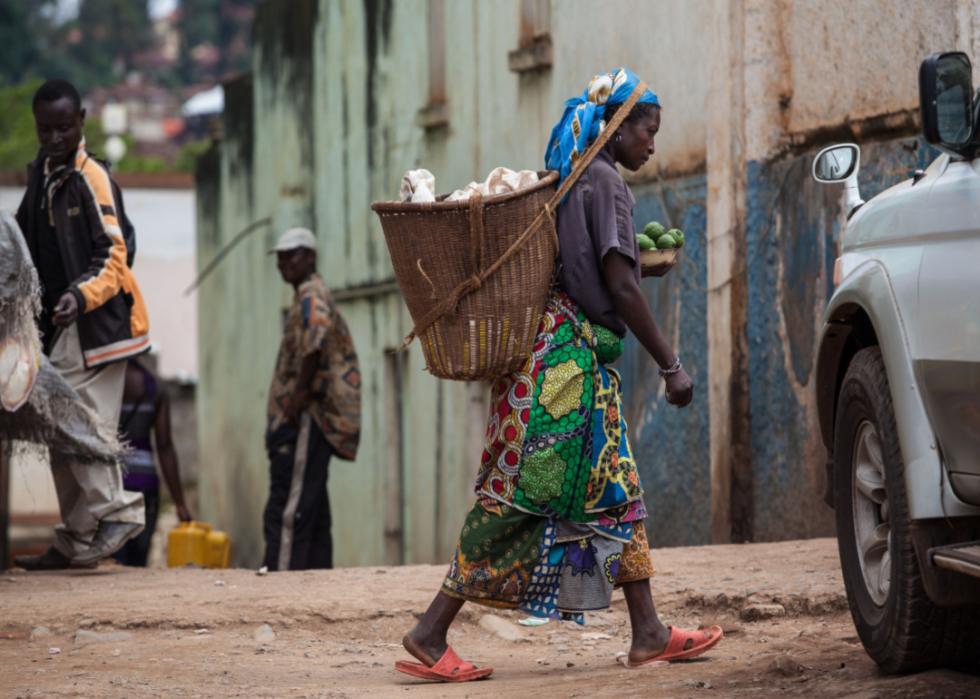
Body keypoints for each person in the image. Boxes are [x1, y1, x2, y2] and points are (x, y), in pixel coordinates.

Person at [396, 68, 723, 682]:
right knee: (519, 497)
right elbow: (619, 286)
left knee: (614, 488)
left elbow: (591, 270)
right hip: (562, 374)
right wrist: (671, 364)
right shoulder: (606, 184)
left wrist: (632, 273)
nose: (653, 144)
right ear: (619, 128)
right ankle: (429, 630)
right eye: (648, 131)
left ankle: (648, 632)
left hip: (557, 359)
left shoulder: (574, 178)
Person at [13, 79, 147, 571]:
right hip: (62, 331)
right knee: (56, 427)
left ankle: (118, 511)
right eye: (46, 129)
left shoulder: (92, 177)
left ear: (82, 121)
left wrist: (78, 295)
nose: (54, 137)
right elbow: (23, 249)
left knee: (76, 422)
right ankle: (77, 537)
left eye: (64, 128)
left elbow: (116, 252)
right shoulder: (43, 177)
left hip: (101, 328)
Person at [263, 227, 361, 571]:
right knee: (313, 507)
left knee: (289, 509)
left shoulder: (311, 295)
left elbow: (314, 344)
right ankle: (315, 583)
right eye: (280, 257)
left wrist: (296, 401)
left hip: (308, 417)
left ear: (310, 257)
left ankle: (281, 581)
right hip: (310, 417)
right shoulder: (308, 294)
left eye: (292, 255)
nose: (284, 263)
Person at [112, 360, 193, 567]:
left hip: (111, 483)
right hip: (145, 485)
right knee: (139, 559)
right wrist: (180, 503)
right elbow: (165, 446)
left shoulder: (103, 382)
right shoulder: (154, 386)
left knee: (113, 557)